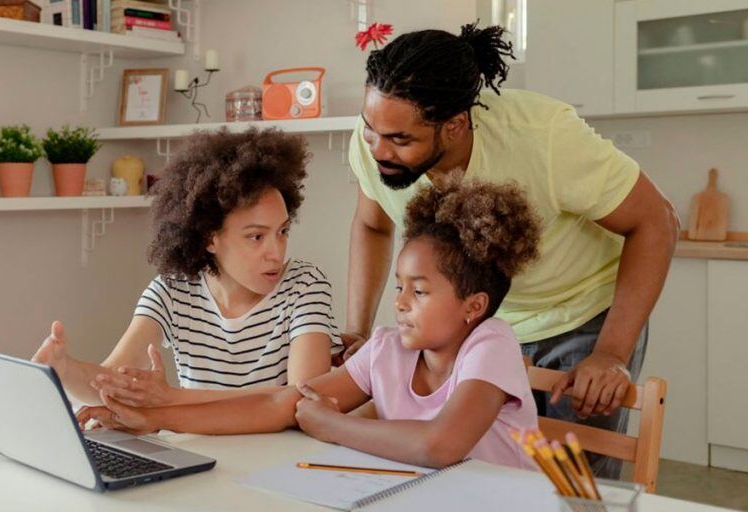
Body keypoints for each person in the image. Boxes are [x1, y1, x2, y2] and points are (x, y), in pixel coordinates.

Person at [342, 23, 679, 477]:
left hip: (579, 315)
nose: (378, 150)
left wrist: (611, 353)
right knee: (481, 466)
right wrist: (357, 329)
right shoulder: (378, 140)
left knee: (574, 481)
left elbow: (656, 221)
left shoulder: (542, 137)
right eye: (370, 129)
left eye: (401, 140)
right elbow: (371, 225)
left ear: (455, 126)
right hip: (478, 322)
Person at [81, 178, 542, 471]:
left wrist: (332, 426)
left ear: (474, 305)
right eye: (398, 286)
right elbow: (283, 404)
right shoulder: (387, 348)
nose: (398, 303)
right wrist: (153, 419)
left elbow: (441, 446)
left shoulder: (491, 343)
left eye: (418, 292)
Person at [32, 128, 343, 407]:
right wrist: (65, 368)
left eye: (282, 232)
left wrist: (171, 402)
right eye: (256, 237)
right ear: (209, 238)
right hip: (199, 453)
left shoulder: (304, 287)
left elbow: (302, 399)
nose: (275, 252)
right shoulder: (172, 291)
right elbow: (112, 380)